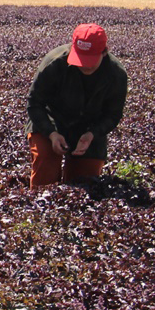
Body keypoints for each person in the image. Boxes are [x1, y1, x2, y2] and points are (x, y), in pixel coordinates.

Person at [26, 22, 128, 187]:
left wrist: (92, 134)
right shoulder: (54, 63)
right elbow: (34, 103)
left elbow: (112, 114)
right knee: (46, 170)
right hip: (50, 121)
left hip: (89, 128)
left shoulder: (116, 74)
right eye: (80, 59)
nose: (85, 66)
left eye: (90, 60)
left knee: (85, 183)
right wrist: (52, 134)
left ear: (104, 52)